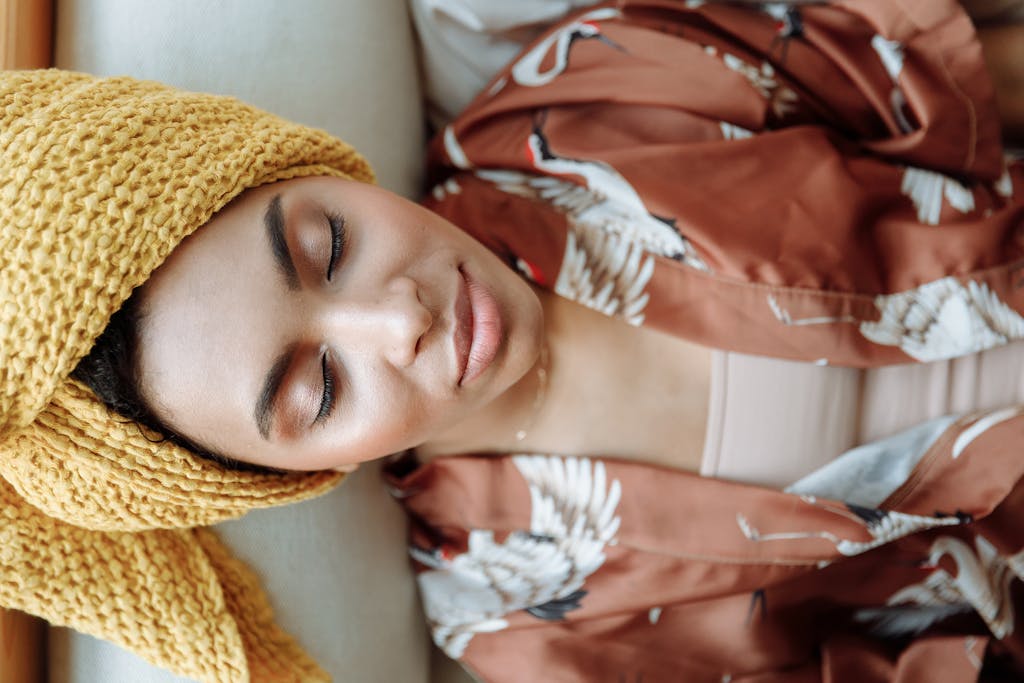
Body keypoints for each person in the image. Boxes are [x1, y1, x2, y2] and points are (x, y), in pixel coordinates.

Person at [4, 1, 1024, 682]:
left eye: (329, 242)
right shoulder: (520, 612)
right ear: (280, 474)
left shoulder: (584, 103)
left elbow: (928, 73)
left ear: (311, 167)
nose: (396, 318)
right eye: (318, 388)